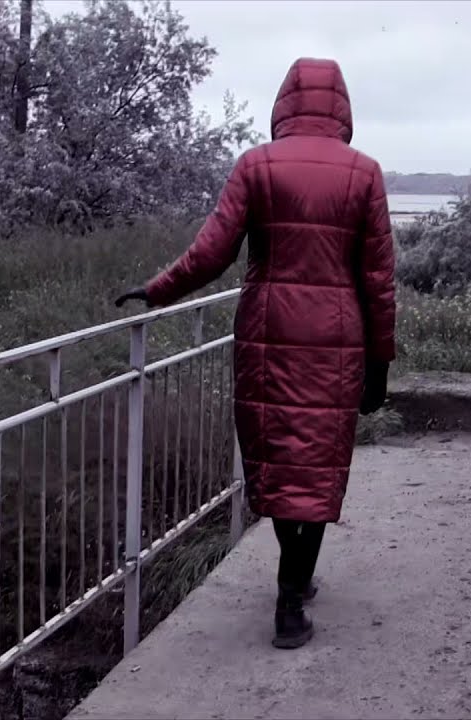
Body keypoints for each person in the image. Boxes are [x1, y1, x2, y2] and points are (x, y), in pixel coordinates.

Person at [114, 57, 396, 650]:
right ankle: (292, 594)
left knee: (275, 462)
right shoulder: (365, 174)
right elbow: (378, 280)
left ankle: (292, 580)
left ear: (283, 105)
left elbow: (211, 253)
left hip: (267, 338)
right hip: (336, 342)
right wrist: (380, 363)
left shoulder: (256, 166)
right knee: (317, 468)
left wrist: (157, 289)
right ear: (343, 108)